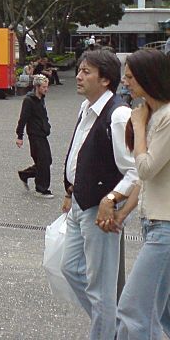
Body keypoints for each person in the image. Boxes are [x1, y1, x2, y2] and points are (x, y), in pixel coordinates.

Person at [60, 49, 137, 339]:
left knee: (101, 288)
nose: (78, 76)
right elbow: (79, 152)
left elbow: (134, 170)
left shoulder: (118, 115)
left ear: (105, 80)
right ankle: (113, 328)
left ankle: (106, 332)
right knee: (69, 268)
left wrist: (111, 199)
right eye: (79, 70)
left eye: (86, 72)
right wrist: (69, 189)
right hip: (81, 202)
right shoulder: (86, 108)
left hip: (101, 210)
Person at [109, 48, 170, 339]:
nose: (125, 82)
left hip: (165, 228)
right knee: (158, 315)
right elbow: (144, 183)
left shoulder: (166, 117)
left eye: (131, 77)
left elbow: (145, 169)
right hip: (155, 225)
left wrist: (138, 124)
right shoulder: (156, 115)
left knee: (134, 312)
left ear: (148, 77)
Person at [15, 74, 53, 197]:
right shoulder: (29, 100)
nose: (46, 89)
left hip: (42, 133)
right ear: (37, 87)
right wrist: (20, 136)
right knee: (44, 161)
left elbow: (43, 115)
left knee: (46, 160)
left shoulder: (41, 98)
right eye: (43, 87)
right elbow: (23, 119)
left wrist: (47, 125)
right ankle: (42, 189)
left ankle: (25, 174)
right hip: (35, 135)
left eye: (47, 87)